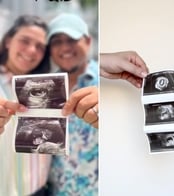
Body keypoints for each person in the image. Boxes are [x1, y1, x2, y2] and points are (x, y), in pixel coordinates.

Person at [45, 13, 99, 195]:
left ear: (88, 41)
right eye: (57, 41)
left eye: (72, 39)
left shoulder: (106, 82)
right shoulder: (42, 89)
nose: (65, 47)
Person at [0, 15, 51, 196]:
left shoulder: (47, 88)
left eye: (40, 47)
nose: (31, 51)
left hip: (39, 190)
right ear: (8, 41)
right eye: (25, 41)